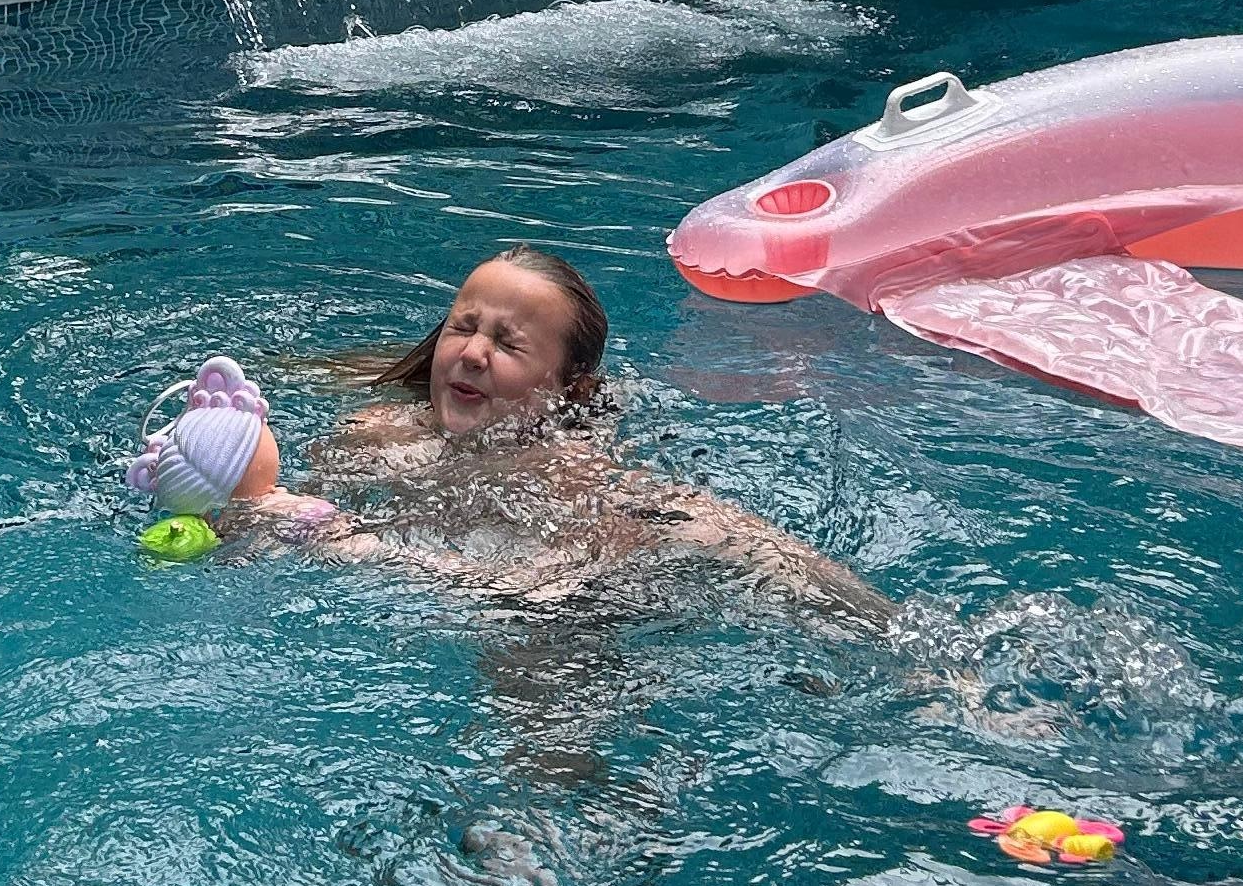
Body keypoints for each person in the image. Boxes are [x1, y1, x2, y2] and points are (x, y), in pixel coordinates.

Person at [314, 243, 895, 628]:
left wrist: (886, 628)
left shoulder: (565, 470)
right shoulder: (374, 435)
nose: (472, 353)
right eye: (462, 328)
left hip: (575, 619)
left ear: (570, 390)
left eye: (509, 344)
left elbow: (724, 534)